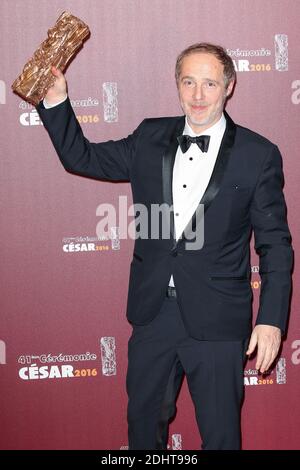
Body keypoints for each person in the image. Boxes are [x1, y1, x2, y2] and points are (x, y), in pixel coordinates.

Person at [37, 43, 293, 450]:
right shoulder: (149, 136)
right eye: (188, 82)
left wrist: (272, 319)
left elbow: (276, 245)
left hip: (219, 322)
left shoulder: (258, 155)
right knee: (142, 431)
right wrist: (55, 100)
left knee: (222, 437)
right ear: (177, 84)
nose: (197, 95)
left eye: (209, 83)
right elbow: (81, 157)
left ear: (229, 86)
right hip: (153, 313)